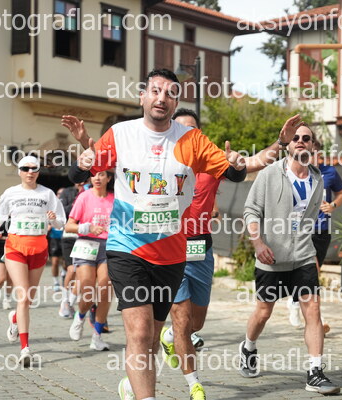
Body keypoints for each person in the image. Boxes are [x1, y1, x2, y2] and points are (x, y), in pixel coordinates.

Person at [69, 69, 246, 400]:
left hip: (172, 254)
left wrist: (236, 163)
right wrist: (84, 160)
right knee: (139, 332)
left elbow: (233, 173)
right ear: (143, 97)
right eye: (155, 90)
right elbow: (80, 172)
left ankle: (131, 385)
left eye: (170, 93)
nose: (162, 97)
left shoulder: (191, 140)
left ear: (176, 102)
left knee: (152, 337)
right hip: (127, 247)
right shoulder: (121, 133)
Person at [158, 109, 302, 397]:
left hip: (201, 248)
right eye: (181, 128)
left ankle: (169, 336)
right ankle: (194, 384)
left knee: (195, 323)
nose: (186, 134)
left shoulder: (212, 161)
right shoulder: (159, 163)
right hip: (170, 248)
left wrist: (281, 143)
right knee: (182, 318)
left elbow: (254, 162)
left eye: (192, 129)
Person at [240, 124, 341, 395]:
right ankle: (248, 347)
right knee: (264, 312)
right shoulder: (270, 173)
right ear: (288, 143)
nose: (300, 141)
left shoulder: (318, 179)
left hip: (304, 256)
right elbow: (251, 210)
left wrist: (309, 250)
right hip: (272, 257)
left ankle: (315, 372)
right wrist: (258, 242)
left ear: (312, 145)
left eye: (306, 138)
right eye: (295, 137)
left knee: (313, 309)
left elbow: (310, 217)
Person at [0, 155, 66, 366]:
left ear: (39, 172)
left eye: (34, 168)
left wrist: (53, 219)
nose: (30, 172)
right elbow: (0, 215)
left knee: (28, 300)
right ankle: (25, 349)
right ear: (19, 171)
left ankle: (15, 318)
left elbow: (61, 222)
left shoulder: (47, 194)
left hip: (39, 249)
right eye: (25, 168)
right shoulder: (10, 193)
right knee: (23, 297)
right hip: (15, 247)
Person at [287, 140, 342, 330]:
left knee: (311, 272)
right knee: (312, 270)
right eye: (310, 154)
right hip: (302, 230)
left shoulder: (330, 172)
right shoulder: (296, 173)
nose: (313, 158)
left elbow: (341, 193)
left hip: (322, 229)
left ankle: (295, 302)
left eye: (316, 154)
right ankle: (315, 317)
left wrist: (333, 205)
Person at [66, 171, 115, 351]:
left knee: (105, 290)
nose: (97, 178)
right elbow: (69, 226)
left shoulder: (115, 199)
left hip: (109, 246)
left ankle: (97, 337)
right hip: (86, 244)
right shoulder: (84, 197)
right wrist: (88, 227)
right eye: (94, 175)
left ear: (109, 178)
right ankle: (80, 316)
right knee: (87, 290)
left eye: (101, 175)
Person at [57, 179, 88, 318]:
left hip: (86, 238)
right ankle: (64, 301)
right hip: (69, 237)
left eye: (84, 180)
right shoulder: (67, 192)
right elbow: (63, 212)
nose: (81, 183)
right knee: (72, 269)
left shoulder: (91, 192)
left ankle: (70, 302)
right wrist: (78, 201)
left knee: (81, 274)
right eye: (79, 180)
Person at [48, 189, 65, 293]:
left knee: (66, 262)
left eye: (62, 193)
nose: (60, 195)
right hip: (55, 237)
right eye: (58, 193)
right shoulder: (51, 206)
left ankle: (64, 275)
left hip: (65, 237)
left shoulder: (67, 205)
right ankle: (55, 282)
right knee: (55, 262)